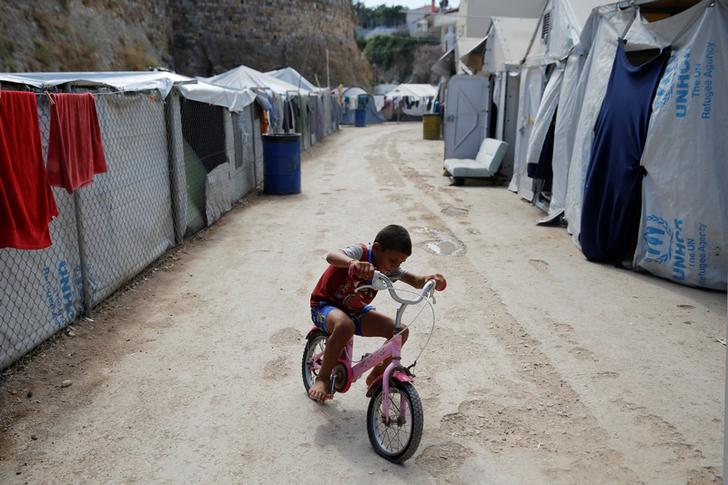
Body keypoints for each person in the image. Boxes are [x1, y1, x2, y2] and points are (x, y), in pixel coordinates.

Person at [308, 224, 447, 403]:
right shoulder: (361, 252)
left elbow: (414, 280)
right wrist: (352, 263)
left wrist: (431, 280)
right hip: (324, 306)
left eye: (400, 263)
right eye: (392, 260)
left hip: (354, 311)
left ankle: (376, 376)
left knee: (400, 331)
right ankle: (322, 379)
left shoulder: (389, 268)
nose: (394, 267)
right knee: (344, 326)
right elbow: (331, 256)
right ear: (377, 249)